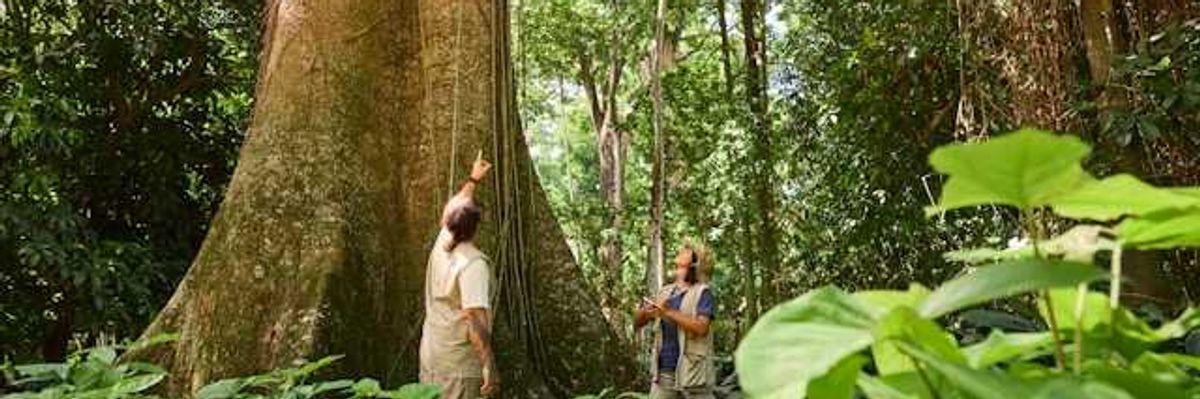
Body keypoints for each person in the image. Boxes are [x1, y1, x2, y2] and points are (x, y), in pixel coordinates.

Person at [419, 151, 498, 399]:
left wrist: (473, 180)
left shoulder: (443, 243)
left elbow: (454, 207)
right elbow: (474, 318)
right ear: (475, 228)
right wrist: (488, 364)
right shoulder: (473, 265)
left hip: (433, 356)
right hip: (460, 368)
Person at [635, 242, 716, 399]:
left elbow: (701, 327)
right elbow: (638, 323)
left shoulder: (702, 292)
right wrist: (645, 313)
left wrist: (668, 312)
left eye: (686, 253)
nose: (681, 253)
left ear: (694, 265)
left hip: (693, 373)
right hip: (664, 372)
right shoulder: (665, 291)